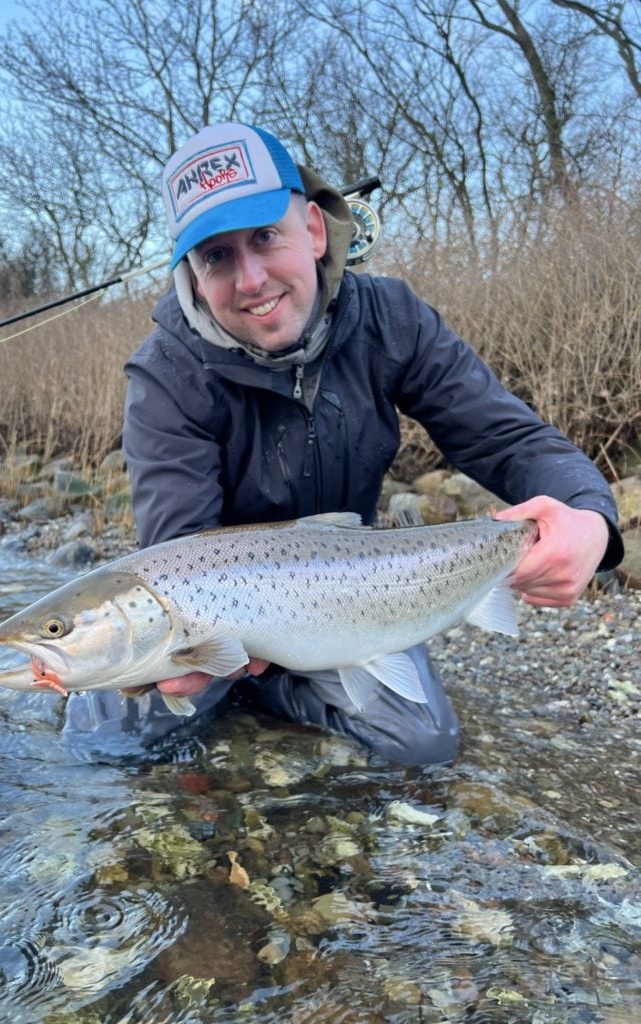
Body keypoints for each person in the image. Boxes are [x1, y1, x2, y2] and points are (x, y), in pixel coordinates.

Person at [64, 122, 623, 763]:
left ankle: (267, 697)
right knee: (102, 741)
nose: (250, 279)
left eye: (265, 237)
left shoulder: (392, 319)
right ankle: (247, 689)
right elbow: (176, 549)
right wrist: (199, 658)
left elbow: (509, 439)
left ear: (315, 229)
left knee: (421, 743)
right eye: (216, 256)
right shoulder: (165, 373)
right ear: (191, 271)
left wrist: (590, 520)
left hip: (351, 592)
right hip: (216, 623)